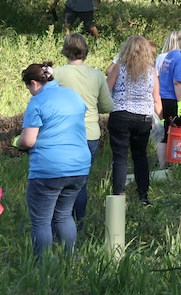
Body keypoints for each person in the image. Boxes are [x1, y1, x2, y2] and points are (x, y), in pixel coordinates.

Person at [16, 62, 91, 257]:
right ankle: (72, 260)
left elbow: (29, 140)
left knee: (41, 221)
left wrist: (17, 142)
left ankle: (43, 269)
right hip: (79, 167)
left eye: (28, 88)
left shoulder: (38, 101)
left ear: (34, 83)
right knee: (64, 216)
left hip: (48, 170)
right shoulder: (73, 95)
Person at [50, 34, 112, 224]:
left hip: (63, 134)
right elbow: (107, 106)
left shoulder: (57, 73)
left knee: (60, 180)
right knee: (80, 182)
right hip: (90, 133)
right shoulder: (97, 75)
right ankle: (79, 222)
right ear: (85, 51)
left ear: (65, 50)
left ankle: (60, 220)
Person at [107, 36, 161, 205]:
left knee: (120, 157)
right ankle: (143, 195)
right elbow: (156, 99)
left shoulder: (119, 67)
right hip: (143, 118)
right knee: (140, 156)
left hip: (121, 114)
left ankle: (118, 196)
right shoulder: (152, 72)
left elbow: (106, 90)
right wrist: (162, 121)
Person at [155, 29, 181, 167]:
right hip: (176, 100)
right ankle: (178, 163)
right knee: (180, 131)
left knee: (166, 134)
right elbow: (179, 82)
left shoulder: (171, 54)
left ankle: (163, 165)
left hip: (164, 98)